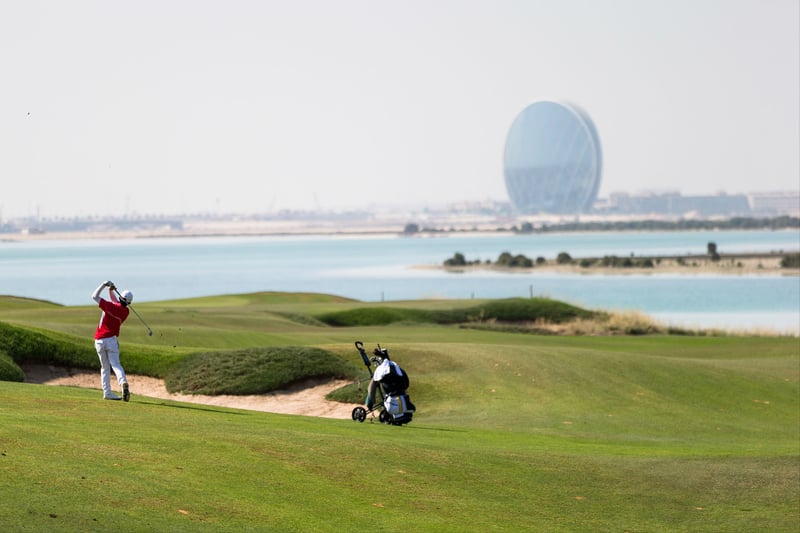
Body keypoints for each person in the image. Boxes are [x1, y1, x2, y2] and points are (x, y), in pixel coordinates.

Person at [91, 280, 132, 401]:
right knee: (116, 365)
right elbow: (117, 303)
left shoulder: (108, 306)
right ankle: (123, 382)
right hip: (111, 341)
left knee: (104, 368)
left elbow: (94, 296)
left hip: (99, 340)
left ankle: (107, 393)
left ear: (120, 298)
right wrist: (111, 291)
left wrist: (104, 285)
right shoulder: (126, 312)